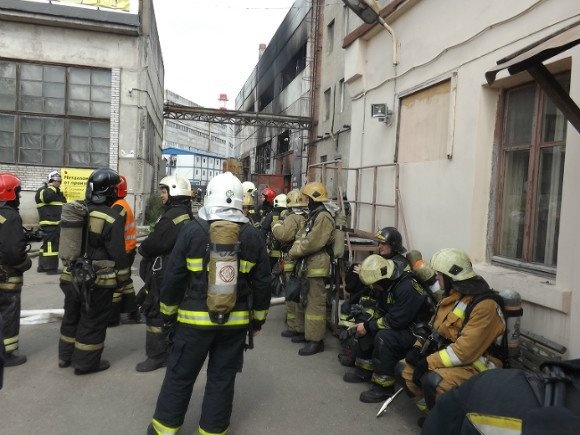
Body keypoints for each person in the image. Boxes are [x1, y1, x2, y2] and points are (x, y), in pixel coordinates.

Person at [148, 172, 271, 435]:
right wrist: (257, 320)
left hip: (192, 323)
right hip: (234, 322)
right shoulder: (252, 235)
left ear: (208, 197)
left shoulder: (193, 229)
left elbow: (174, 276)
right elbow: (263, 283)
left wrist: (167, 314)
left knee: (180, 376)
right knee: (222, 379)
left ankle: (163, 430)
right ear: (240, 201)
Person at [397, 248, 506, 413]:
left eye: (440, 275)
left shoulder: (485, 306)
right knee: (404, 369)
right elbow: (433, 330)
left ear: (451, 277)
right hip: (451, 356)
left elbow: (464, 352)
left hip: (480, 364)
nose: (437, 279)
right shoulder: (453, 296)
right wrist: (417, 349)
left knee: (435, 382)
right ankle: (432, 415)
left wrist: (427, 362)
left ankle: (447, 423)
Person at [57, 168, 126, 375]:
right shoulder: (111, 217)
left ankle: (65, 357)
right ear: (108, 191)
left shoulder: (78, 210)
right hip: (96, 281)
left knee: (71, 316)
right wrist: (123, 280)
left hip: (71, 276)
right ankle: (86, 363)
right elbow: (118, 255)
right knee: (92, 320)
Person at [343, 254, 432, 403]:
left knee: (384, 337)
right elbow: (383, 309)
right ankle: (365, 369)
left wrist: (368, 326)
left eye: (374, 283)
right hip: (398, 322)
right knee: (366, 322)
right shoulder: (388, 284)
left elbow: (395, 321)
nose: (373, 287)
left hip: (415, 332)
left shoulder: (408, 288)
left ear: (381, 280)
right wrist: (366, 323)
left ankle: (383, 387)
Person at [135, 175, 192, 372]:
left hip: (163, 272)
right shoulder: (184, 214)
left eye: (164, 191)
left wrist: (142, 250)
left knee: (155, 311)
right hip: (175, 270)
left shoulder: (171, 217)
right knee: (172, 311)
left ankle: (156, 356)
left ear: (175, 192)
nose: (161, 195)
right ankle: (170, 352)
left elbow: (155, 242)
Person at [338, 226, 409, 366]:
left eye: (383, 244)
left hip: (388, 302)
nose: (379, 247)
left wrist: (366, 275)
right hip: (376, 296)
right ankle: (350, 347)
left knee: (364, 316)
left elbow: (386, 285)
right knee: (347, 308)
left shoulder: (400, 264)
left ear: (393, 245)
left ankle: (362, 359)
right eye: (379, 244)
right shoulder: (382, 258)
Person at [287, 181, 335, 356]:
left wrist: (294, 252)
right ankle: (308, 334)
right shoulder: (314, 215)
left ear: (315, 198)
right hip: (309, 263)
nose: (305, 201)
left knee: (316, 304)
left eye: (307, 198)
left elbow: (313, 242)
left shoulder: (323, 217)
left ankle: (316, 341)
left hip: (318, 264)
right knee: (306, 301)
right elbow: (302, 236)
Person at [0, 173, 32, 366]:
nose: (19, 197)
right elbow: (13, 252)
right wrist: (25, 263)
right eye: (18, 192)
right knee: (8, 312)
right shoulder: (10, 217)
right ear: (10, 193)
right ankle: (7, 354)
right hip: (6, 276)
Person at [272, 189, 308, 338]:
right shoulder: (307, 217)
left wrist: (276, 224)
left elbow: (283, 235)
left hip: (291, 259)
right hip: (303, 260)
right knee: (299, 295)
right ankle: (296, 327)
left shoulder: (292, 218)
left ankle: (295, 327)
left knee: (292, 294)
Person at [109, 175, 140, 326]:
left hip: (123, 251)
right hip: (128, 250)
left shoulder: (118, 207)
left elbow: (112, 231)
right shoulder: (122, 204)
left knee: (115, 284)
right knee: (125, 282)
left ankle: (112, 317)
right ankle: (132, 310)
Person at [35, 170, 66, 274]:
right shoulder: (44, 191)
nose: (58, 183)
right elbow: (47, 198)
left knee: (46, 246)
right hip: (50, 224)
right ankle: (50, 268)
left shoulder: (57, 193)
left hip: (55, 224)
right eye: (56, 180)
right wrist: (52, 187)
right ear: (50, 180)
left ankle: (42, 267)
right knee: (51, 247)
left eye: (59, 181)